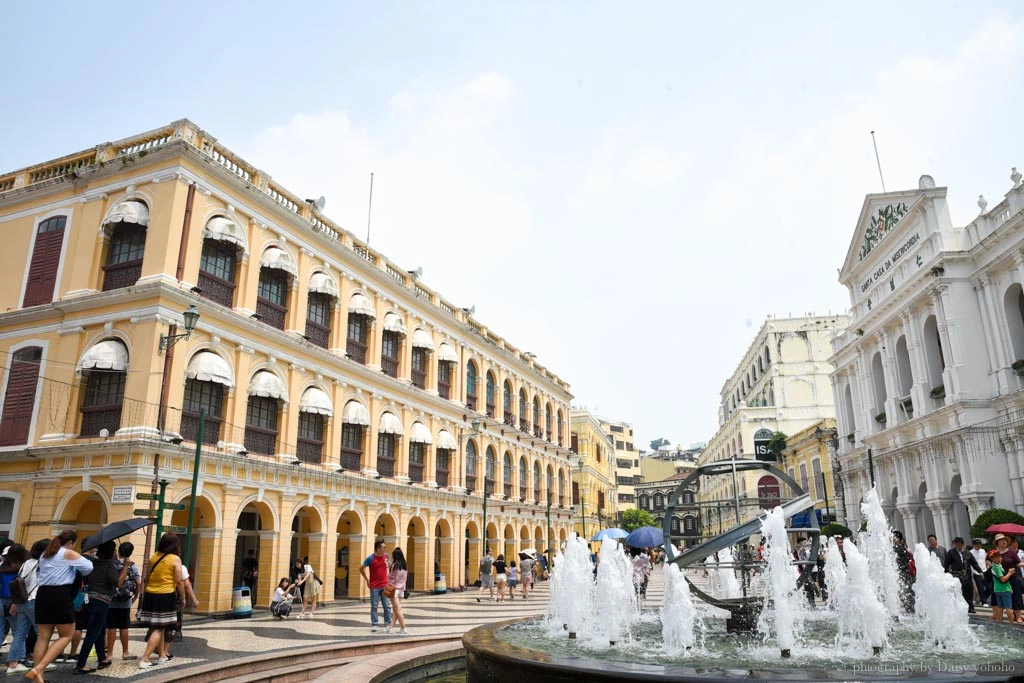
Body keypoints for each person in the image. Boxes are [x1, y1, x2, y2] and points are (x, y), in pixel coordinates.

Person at [27, 530, 94, 683]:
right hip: (60, 595)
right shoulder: (67, 553)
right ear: (70, 543)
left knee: (43, 637)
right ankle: (39, 668)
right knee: (66, 635)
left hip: (42, 594)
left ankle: (38, 679)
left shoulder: (46, 553)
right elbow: (88, 567)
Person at [73, 541, 126, 674]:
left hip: (89, 599)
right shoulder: (109, 565)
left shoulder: (93, 563)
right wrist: (125, 567)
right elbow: (118, 583)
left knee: (100, 630)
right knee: (92, 632)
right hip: (101, 601)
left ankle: (102, 657)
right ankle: (81, 664)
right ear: (110, 552)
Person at [138, 532, 185, 669]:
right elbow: (179, 580)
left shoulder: (154, 557)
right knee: (159, 628)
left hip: (151, 594)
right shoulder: (175, 559)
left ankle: (162, 655)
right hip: (165, 595)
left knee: (161, 626)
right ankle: (145, 658)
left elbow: (147, 578)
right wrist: (182, 598)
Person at [5, 541, 46, 675]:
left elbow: (21, 583)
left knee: (19, 634)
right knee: (42, 634)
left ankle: (13, 664)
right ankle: (40, 663)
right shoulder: (42, 564)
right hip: (34, 601)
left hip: (22, 601)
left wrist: (15, 603)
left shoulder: (26, 564)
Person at [104, 542, 138, 662]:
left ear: (119, 551)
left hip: (111, 600)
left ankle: (109, 654)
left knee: (111, 627)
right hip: (126, 601)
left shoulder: (113, 564)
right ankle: (125, 652)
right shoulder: (133, 566)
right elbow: (138, 582)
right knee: (124, 627)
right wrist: (135, 597)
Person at [358, 540, 391, 633]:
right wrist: (367, 580)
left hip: (386, 585)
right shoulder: (370, 558)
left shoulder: (386, 556)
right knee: (374, 606)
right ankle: (374, 624)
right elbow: (361, 568)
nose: (385, 549)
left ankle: (388, 624)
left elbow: (390, 567)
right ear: (378, 549)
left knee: (387, 606)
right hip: (374, 586)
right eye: (383, 547)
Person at [943, 537, 982, 613]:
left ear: (962, 544)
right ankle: (960, 608)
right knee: (959, 592)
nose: (958, 545)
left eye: (959, 543)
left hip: (967, 575)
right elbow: (946, 564)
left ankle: (970, 607)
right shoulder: (951, 553)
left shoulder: (967, 552)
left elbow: (974, 563)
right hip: (957, 575)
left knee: (969, 592)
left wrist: (980, 571)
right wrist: (944, 573)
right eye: (956, 544)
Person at [994, 534, 1023, 623]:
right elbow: (988, 561)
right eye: (1001, 540)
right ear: (997, 542)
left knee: (1016, 596)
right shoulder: (994, 553)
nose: (1004, 542)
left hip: (1012, 577)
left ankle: (1018, 616)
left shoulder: (1011, 552)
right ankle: (1000, 618)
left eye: (1005, 540)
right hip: (1000, 579)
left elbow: (1018, 563)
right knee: (1000, 598)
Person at [989, 549, 1014, 623]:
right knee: (1008, 608)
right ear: (992, 559)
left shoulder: (996, 566)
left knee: (1000, 607)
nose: (999, 558)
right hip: (1004, 590)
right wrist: (1010, 573)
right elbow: (1002, 579)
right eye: (996, 557)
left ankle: (1001, 623)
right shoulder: (996, 567)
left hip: (998, 589)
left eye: (999, 556)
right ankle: (1011, 624)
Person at [386, 548, 408, 635]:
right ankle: (391, 627)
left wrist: (388, 568)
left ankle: (403, 628)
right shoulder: (404, 565)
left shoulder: (395, 565)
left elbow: (390, 577)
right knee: (396, 609)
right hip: (401, 589)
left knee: (397, 609)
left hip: (393, 589)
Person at [892, 530, 915, 614]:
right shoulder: (904, 547)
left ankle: (911, 612)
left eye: (894, 538)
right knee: (906, 595)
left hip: (905, 575)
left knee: (908, 595)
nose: (892, 540)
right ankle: (910, 611)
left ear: (899, 539)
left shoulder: (900, 548)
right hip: (904, 575)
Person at [970, 538, 989, 607]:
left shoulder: (983, 551)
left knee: (989, 586)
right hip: (976, 572)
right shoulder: (971, 552)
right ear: (973, 545)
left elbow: (985, 560)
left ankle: (984, 598)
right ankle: (984, 601)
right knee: (980, 587)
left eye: (979, 544)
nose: (978, 546)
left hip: (984, 570)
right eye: (977, 544)